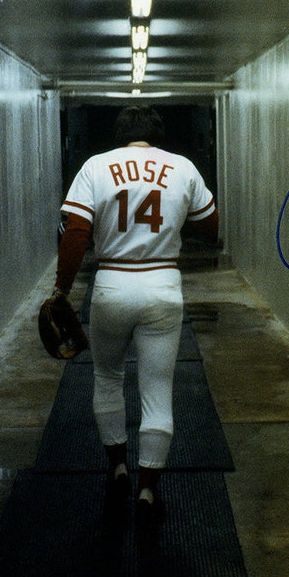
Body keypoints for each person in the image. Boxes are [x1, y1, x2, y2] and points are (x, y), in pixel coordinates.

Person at [51, 106, 219, 524]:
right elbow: (210, 225)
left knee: (107, 377)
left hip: (111, 283)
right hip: (162, 284)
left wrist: (61, 290)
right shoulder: (181, 166)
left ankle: (118, 466)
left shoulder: (96, 166)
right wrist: (171, 225)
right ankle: (148, 489)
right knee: (157, 389)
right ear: (157, 135)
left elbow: (75, 231)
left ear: (120, 134)